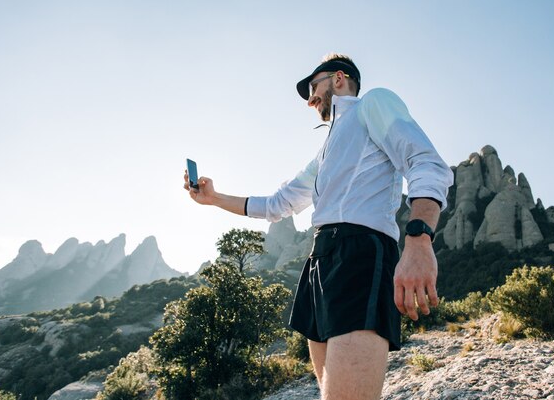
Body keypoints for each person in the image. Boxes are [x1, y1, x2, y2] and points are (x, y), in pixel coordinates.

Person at [184, 53, 453, 400]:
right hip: (319, 262)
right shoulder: (325, 150)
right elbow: (277, 204)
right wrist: (214, 198)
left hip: (360, 253)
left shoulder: (373, 104)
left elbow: (426, 163)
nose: (310, 99)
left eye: (313, 87)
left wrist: (419, 241)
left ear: (338, 79)